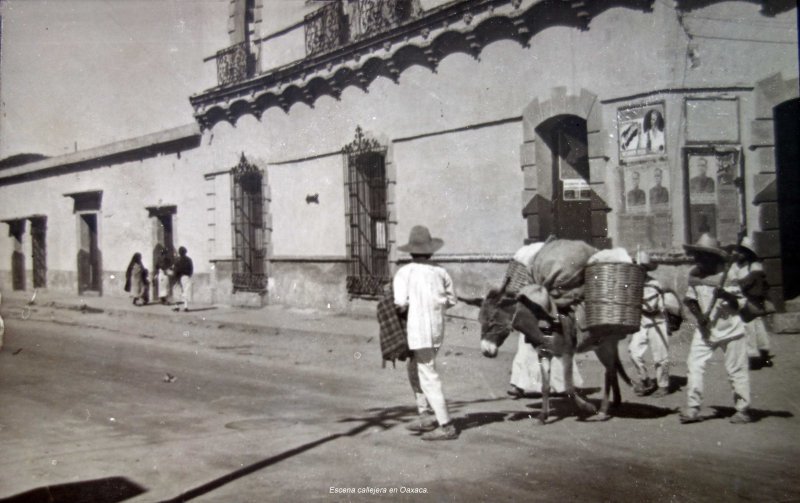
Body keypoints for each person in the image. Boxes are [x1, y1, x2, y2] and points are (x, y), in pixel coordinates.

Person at [393, 225, 458, 441]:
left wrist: (410, 304)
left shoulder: (404, 273)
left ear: (411, 251)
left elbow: (400, 304)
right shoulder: (441, 272)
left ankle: (446, 425)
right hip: (437, 329)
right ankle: (425, 414)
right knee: (415, 368)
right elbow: (451, 300)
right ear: (430, 251)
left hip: (417, 330)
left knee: (427, 373)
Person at [680, 234, 752, 424]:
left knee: (736, 370)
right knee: (693, 365)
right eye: (697, 255)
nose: (698, 260)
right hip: (706, 330)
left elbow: (740, 304)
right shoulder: (694, 274)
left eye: (703, 256)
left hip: (731, 330)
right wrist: (700, 317)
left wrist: (727, 296)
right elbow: (690, 299)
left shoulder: (728, 275)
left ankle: (743, 410)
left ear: (713, 257)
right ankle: (693, 408)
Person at [628, 251, 670, 397]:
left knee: (660, 357)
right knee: (634, 352)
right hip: (641, 323)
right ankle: (646, 380)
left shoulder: (654, 284)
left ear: (646, 270)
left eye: (641, 269)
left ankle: (663, 385)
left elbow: (652, 309)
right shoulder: (632, 285)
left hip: (657, 322)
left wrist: (638, 300)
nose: (638, 271)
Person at [728, 237, 774, 370]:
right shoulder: (735, 266)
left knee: (756, 326)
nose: (740, 254)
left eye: (743, 252)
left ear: (749, 253)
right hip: (742, 299)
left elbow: (753, 282)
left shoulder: (754, 265)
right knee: (748, 327)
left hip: (754, 299)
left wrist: (740, 284)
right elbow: (733, 281)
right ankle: (753, 355)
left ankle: (760, 354)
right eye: (739, 251)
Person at [172, 246, 193, 312]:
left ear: (179, 252)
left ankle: (176, 306)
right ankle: (185, 306)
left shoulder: (177, 260)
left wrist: (175, 277)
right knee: (185, 291)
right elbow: (191, 269)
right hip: (186, 276)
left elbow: (176, 269)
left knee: (177, 291)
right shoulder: (189, 259)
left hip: (178, 277)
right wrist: (189, 275)